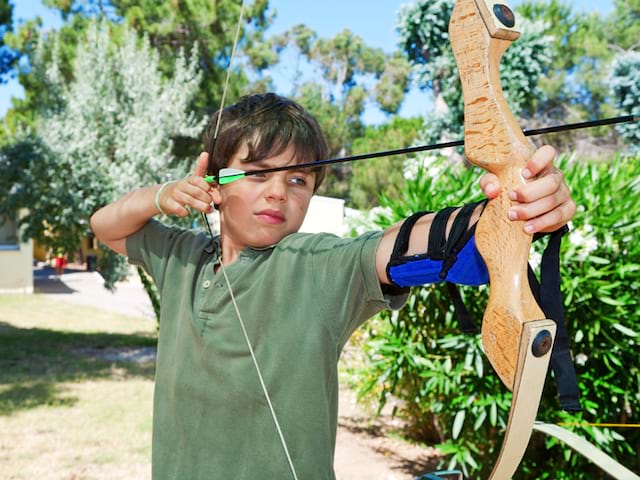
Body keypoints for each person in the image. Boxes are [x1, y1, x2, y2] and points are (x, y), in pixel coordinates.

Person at [90, 93, 576, 480]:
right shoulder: (181, 256)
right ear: (214, 184)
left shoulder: (317, 265)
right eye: (258, 174)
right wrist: (159, 196)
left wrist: (514, 211)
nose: (279, 191)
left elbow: (411, 247)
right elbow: (106, 225)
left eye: (299, 180)